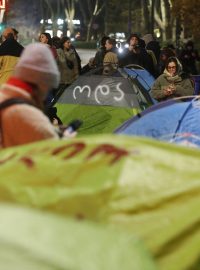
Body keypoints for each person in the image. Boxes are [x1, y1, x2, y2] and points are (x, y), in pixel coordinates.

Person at [0, 43, 74, 148]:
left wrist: (51, 129)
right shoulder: (29, 115)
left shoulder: (3, 95)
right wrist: (64, 136)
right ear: (41, 82)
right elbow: (52, 151)